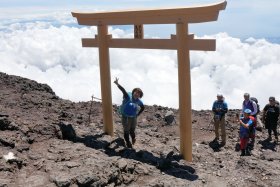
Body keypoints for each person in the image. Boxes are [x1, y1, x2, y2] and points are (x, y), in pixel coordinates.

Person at [114, 77, 144, 148]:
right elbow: (123, 90)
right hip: (126, 117)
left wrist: (137, 114)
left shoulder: (139, 101)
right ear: (133, 92)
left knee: (132, 131)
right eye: (136, 92)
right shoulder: (128, 97)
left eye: (139, 93)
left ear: (140, 96)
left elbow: (143, 108)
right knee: (126, 131)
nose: (137, 94)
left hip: (133, 117)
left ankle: (133, 138)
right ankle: (128, 143)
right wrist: (117, 84)